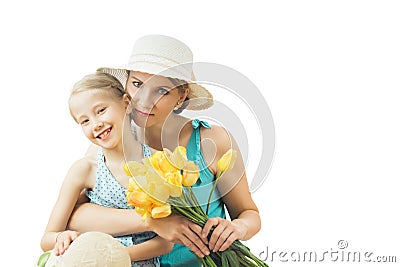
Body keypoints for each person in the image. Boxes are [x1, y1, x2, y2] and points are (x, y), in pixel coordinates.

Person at [67, 34, 262, 266]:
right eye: (137, 84)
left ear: (182, 96)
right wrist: (152, 221)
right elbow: (74, 217)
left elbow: (249, 214)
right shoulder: (110, 143)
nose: (144, 100)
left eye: (161, 91)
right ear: (126, 84)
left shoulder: (212, 141)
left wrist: (238, 227)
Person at [40, 72, 173, 266]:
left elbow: (166, 242)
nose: (96, 124)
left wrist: (118, 256)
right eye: (84, 121)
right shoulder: (84, 170)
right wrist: (63, 237)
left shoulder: (160, 162)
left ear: (126, 103)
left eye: (101, 110)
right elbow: (47, 238)